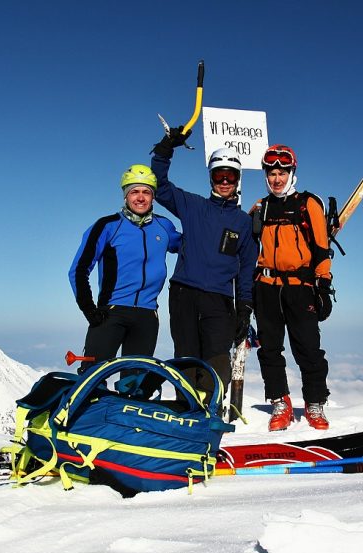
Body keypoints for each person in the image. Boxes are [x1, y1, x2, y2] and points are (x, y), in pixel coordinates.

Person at [150, 129, 257, 402]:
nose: (224, 181)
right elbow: (160, 186)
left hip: (220, 298)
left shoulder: (244, 222)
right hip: (184, 292)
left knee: (217, 357)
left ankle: (208, 409)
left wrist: (244, 306)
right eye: (219, 175)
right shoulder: (193, 205)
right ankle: (186, 409)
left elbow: (247, 267)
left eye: (230, 176)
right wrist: (165, 149)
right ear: (211, 177)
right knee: (186, 354)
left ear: (237, 179)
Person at [249, 144, 333, 431]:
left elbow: (322, 248)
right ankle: (280, 403)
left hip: (300, 287)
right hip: (266, 287)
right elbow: (248, 249)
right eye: (271, 173)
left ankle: (314, 403)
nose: (277, 179)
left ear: (291, 172)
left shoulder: (308, 203)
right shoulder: (261, 207)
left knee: (308, 348)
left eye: (282, 172)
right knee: (269, 349)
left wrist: (323, 286)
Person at [69, 164, 181, 369]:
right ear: (125, 196)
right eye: (134, 192)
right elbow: (79, 269)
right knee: (92, 379)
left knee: (134, 385)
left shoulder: (164, 226)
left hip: (147, 316)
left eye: (146, 192)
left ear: (153, 196)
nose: (140, 197)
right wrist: (89, 309)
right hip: (110, 313)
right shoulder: (107, 226)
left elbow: (190, 247)